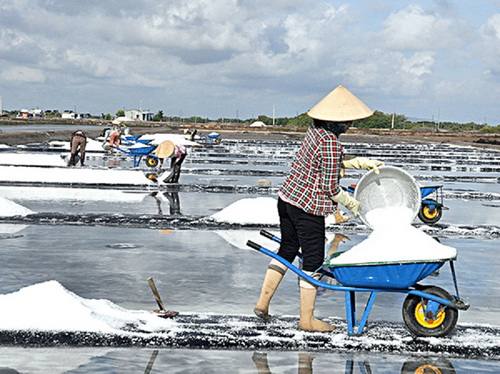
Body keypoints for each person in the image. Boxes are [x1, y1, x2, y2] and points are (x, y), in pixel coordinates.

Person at [253, 85, 385, 332]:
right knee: (313, 261)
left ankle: (262, 303)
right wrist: (353, 204)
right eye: (346, 121)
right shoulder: (331, 143)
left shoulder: (315, 131)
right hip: (308, 208)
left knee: (288, 249)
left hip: (288, 200)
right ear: (334, 121)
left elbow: (324, 161)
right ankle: (307, 320)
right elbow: (329, 186)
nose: (349, 125)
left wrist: (360, 163)